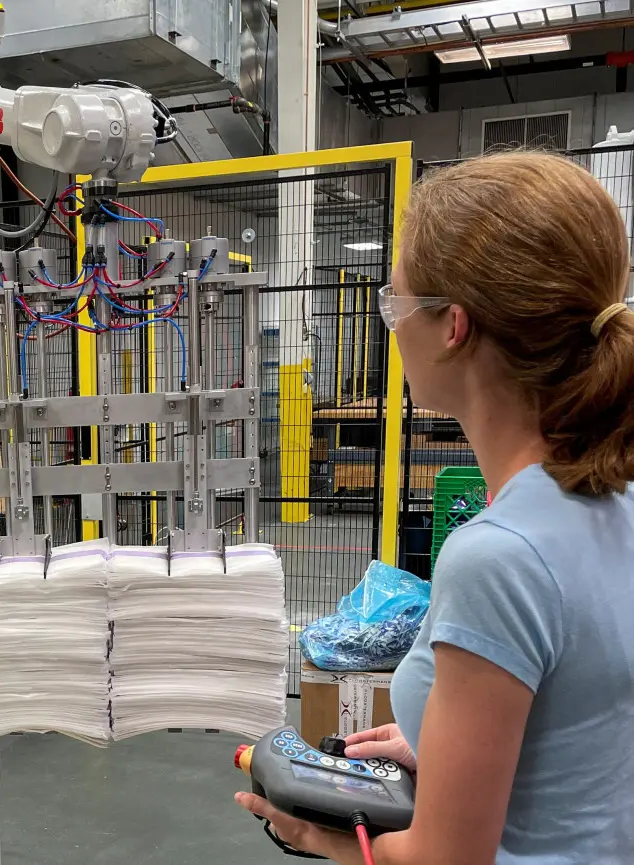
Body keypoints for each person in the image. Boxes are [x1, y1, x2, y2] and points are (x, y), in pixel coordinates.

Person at [235, 151, 634, 863]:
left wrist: (329, 838)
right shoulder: (614, 496)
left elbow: (447, 859)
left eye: (396, 303)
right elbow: (584, 728)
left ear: (454, 325)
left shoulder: (500, 556)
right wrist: (446, 749)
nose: (392, 327)